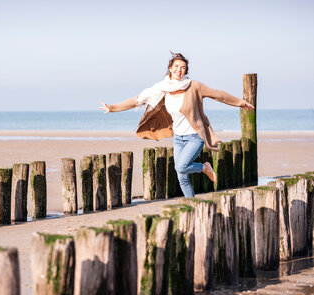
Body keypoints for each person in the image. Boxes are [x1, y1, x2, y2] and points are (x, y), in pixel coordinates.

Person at [99, 52, 254, 198]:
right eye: (177, 67)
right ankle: (192, 208)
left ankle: (204, 167)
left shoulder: (194, 86)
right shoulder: (162, 88)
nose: (180, 70)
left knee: (180, 167)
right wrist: (112, 108)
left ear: (186, 71)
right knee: (182, 176)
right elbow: (136, 100)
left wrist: (240, 102)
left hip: (195, 137)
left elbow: (219, 95)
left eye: (183, 68)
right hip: (179, 137)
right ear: (170, 69)